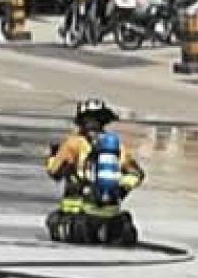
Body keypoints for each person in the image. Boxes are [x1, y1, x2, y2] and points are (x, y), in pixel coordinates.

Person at [45, 98, 145, 243]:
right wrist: (120, 189)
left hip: (77, 214)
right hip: (110, 215)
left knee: (54, 221)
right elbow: (136, 174)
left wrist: (53, 157)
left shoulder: (73, 143)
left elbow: (54, 172)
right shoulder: (116, 145)